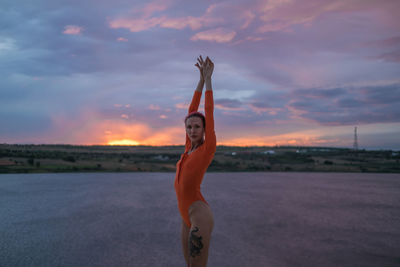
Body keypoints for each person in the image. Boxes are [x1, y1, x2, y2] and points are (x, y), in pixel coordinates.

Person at [174, 55, 216, 267]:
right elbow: (193, 109)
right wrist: (199, 79)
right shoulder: (188, 148)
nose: (192, 130)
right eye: (189, 127)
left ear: (205, 129)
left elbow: (207, 110)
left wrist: (209, 79)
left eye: (197, 127)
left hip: (199, 214)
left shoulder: (207, 148)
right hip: (185, 216)